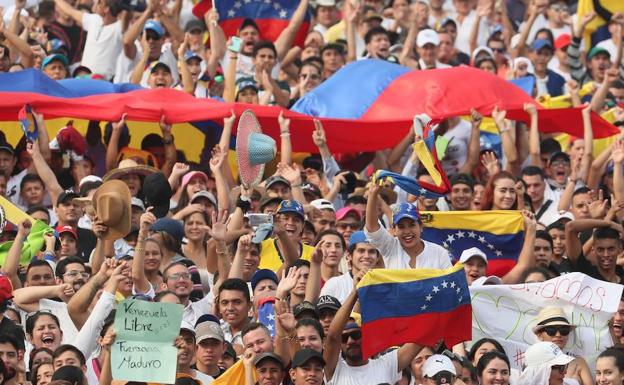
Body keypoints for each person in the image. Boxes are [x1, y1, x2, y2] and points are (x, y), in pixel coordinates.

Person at [365, 184, 451, 270]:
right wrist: (373, 194)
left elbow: (450, 280)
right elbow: (372, 228)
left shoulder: (439, 253)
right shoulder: (389, 247)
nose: (407, 231)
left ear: (421, 226)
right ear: (394, 230)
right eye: (401, 227)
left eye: (412, 225)